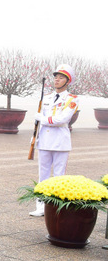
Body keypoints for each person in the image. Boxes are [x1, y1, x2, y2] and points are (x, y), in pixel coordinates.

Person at [30, 65, 79, 217]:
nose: (57, 80)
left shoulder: (72, 99)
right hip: (44, 140)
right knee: (42, 175)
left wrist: (43, 119)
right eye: (56, 77)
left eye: (61, 77)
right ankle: (41, 206)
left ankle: (56, 206)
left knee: (59, 177)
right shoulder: (47, 97)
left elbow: (63, 119)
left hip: (60, 142)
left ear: (67, 81)